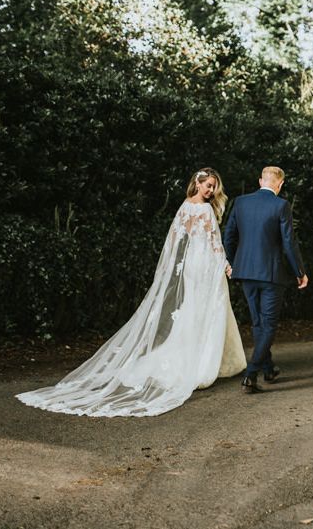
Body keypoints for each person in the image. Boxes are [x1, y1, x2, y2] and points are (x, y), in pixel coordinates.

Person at [16, 168, 246, 417]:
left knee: (193, 310)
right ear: (198, 183)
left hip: (191, 266)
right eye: (209, 185)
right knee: (207, 311)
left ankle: (200, 358)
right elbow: (214, 242)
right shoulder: (205, 210)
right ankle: (203, 365)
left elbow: (176, 242)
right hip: (205, 267)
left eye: (214, 186)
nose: (211, 190)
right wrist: (225, 266)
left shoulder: (184, 207)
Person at [223, 166, 308, 394]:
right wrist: (300, 271)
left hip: (245, 272)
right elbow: (289, 243)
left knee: (259, 323)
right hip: (271, 274)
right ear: (279, 185)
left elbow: (229, 235)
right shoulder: (281, 205)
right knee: (268, 324)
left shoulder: (240, 202)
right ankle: (251, 374)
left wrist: (232, 263)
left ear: (261, 180)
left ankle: (268, 369)